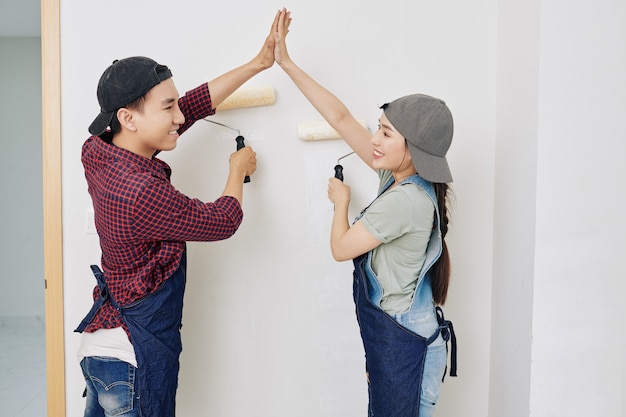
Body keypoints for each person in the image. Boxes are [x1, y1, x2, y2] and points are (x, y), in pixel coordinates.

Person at [73, 11, 283, 417]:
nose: (180, 117)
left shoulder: (97, 150)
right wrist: (236, 171)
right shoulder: (142, 193)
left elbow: (193, 104)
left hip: (100, 352)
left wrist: (259, 62)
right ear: (128, 118)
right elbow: (222, 220)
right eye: (167, 107)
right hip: (134, 361)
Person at [273, 9, 457, 417]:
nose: (374, 139)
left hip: (404, 346)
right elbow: (340, 118)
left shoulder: (404, 201)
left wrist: (341, 203)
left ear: (413, 148)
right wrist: (286, 63)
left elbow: (341, 248)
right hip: (401, 340)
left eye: (386, 133)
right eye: (378, 127)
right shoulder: (401, 178)